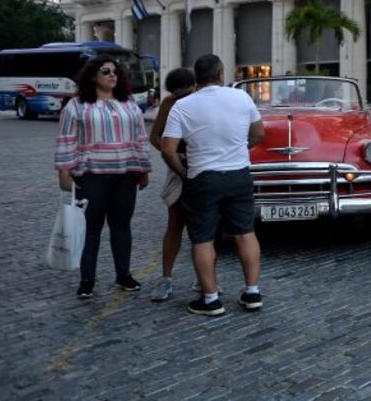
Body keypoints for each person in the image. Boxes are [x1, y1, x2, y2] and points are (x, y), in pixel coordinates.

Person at [161, 54, 265, 317]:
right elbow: (258, 133)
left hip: (203, 178)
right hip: (239, 174)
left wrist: (184, 172)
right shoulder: (241, 97)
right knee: (245, 232)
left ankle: (210, 299)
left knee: (202, 238)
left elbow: (168, 149)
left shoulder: (183, 106)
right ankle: (252, 291)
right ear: (220, 75)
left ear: (197, 78)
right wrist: (242, 147)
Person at [54, 55, 152, 299]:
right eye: (105, 71)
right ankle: (87, 279)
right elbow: (66, 140)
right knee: (91, 229)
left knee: (121, 226)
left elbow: (141, 138)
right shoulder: (76, 105)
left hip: (125, 176)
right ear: (93, 76)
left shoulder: (128, 103)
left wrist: (143, 169)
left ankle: (123, 275)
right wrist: (64, 173)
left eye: (115, 71)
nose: (112, 75)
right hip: (91, 176)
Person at [148, 68, 196, 302]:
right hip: (180, 167)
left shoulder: (200, 99)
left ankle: (204, 278)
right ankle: (166, 278)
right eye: (177, 96)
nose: (181, 100)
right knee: (175, 224)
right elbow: (154, 137)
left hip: (202, 164)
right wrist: (173, 155)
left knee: (204, 227)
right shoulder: (169, 103)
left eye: (184, 95)